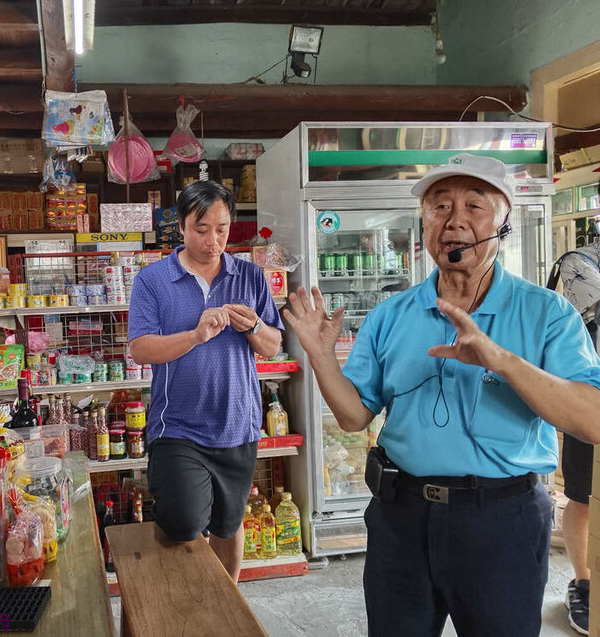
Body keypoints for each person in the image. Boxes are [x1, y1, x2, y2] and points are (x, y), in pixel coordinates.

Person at [284, 154, 600, 636]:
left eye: (475, 205)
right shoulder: (391, 315)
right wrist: (322, 356)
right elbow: (353, 418)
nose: (455, 220)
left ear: (505, 222)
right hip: (401, 517)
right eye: (439, 207)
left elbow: (592, 421)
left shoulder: (548, 314)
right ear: (424, 224)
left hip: (503, 520)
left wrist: (502, 361)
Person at [128, 180, 283, 581]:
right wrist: (195, 335)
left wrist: (252, 325)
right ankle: (180, 599)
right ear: (180, 226)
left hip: (238, 423)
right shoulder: (153, 280)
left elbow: (272, 346)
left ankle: (226, 603)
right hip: (176, 426)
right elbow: (141, 349)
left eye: (222, 228)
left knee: (228, 525)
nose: (213, 240)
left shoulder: (250, 277)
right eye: (201, 229)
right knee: (181, 523)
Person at [549, 234, 600, 635]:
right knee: (583, 494)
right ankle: (584, 583)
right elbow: (581, 315)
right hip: (591, 395)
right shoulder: (580, 262)